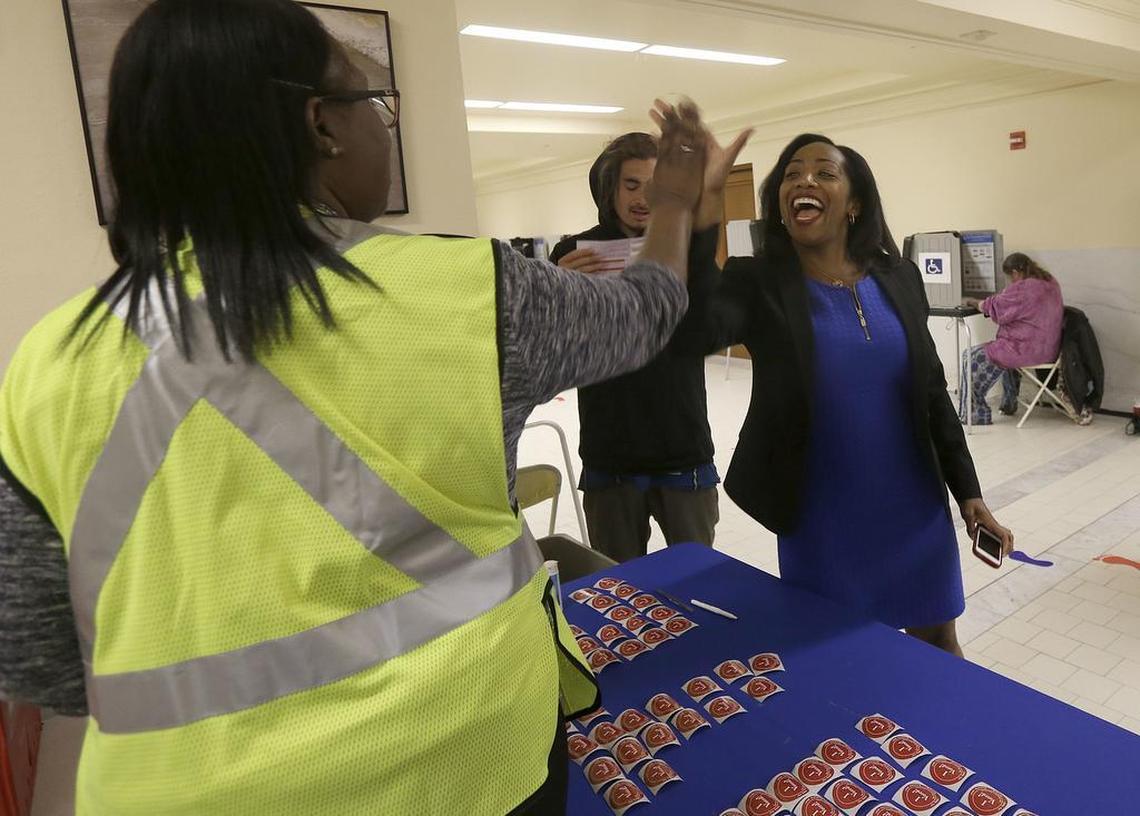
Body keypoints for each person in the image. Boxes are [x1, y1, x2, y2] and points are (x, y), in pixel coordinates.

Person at [0, 1, 712, 812]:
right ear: (320, 126)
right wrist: (680, 201)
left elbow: (38, 661)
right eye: (374, 103)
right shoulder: (472, 293)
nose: (387, 126)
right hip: (471, 768)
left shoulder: (46, 362)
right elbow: (646, 310)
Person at [677, 132, 1014, 656]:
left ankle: (938, 739)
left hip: (913, 507)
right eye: (791, 173)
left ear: (854, 204)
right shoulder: (759, 280)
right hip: (821, 515)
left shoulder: (897, 277)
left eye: (824, 172)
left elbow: (930, 392)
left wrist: (968, 493)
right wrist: (703, 211)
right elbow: (695, 329)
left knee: (938, 639)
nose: (804, 180)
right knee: (835, 652)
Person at [549, 130, 748, 561]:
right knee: (619, 587)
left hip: (681, 441)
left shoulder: (686, 247)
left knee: (698, 584)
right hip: (609, 450)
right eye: (631, 184)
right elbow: (554, 349)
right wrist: (558, 288)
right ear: (609, 188)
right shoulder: (574, 253)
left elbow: (713, 325)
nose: (643, 198)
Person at [962, 252, 1068, 425]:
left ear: (1015, 272)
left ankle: (976, 412)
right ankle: (1008, 404)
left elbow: (996, 306)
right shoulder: (1050, 282)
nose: (1011, 281)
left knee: (970, 357)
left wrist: (973, 302)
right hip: (1050, 349)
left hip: (1026, 349)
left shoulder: (1024, 288)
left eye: (1010, 277)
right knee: (1003, 352)